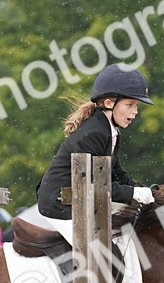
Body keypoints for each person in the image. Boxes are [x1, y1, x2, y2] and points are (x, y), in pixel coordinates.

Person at [37, 63, 155, 244]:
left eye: (136, 105)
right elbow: (95, 185)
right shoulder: (95, 133)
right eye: (130, 104)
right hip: (60, 203)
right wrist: (133, 193)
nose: (135, 112)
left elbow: (116, 174)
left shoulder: (110, 131)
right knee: (98, 251)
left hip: (79, 199)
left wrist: (146, 190)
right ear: (109, 103)